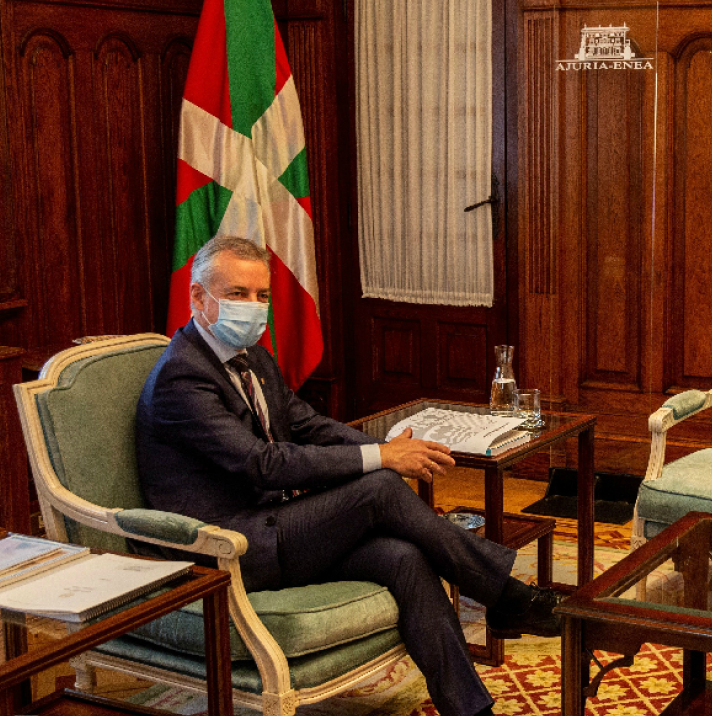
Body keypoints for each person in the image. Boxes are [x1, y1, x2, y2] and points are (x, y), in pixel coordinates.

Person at [135, 236, 558, 716]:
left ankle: (470, 710)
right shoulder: (181, 377)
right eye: (236, 294)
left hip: (274, 526)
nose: (253, 308)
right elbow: (263, 464)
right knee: (378, 486)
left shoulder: (251, 358)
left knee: (404, 556)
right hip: (225, 546)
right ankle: (504, 594)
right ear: (197, 298)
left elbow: (307, 424)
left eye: (262, 296)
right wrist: (383, 457)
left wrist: (389, 449)